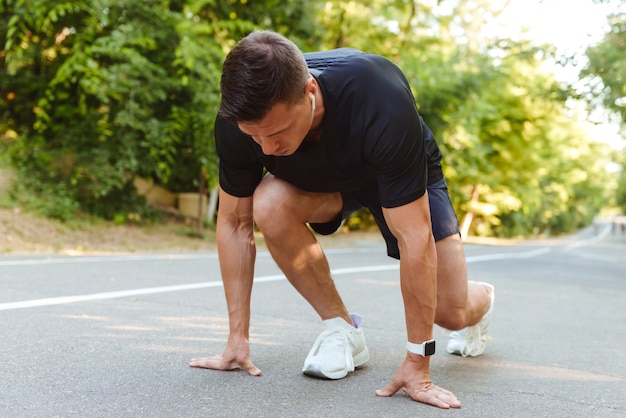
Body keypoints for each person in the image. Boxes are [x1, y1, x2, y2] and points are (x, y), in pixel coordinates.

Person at [189, 30, 495, 410]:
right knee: (266, 202)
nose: (267, 150)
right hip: (321, 181)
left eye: (277, 133)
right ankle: (342, 329)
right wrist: (237, 337)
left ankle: (480, 298)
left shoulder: (379, 98)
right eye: (255, 138)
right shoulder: (238, 124)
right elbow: (235, 224)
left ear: (310, 92)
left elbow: (414, 237)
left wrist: (419, 361)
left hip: (396, 172)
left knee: (450, 311)